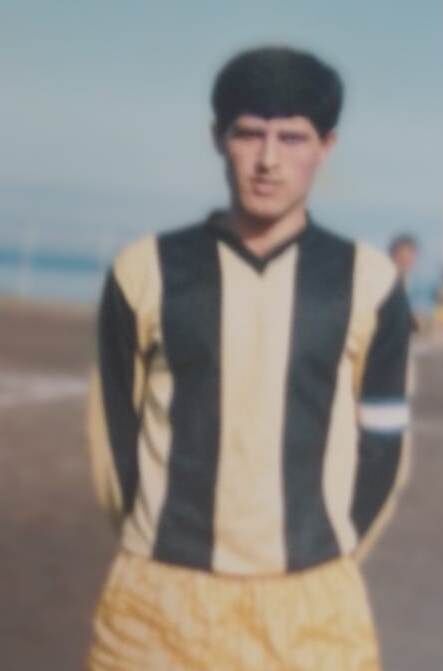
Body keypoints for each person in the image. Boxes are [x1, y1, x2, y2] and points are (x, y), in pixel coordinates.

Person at [86, 46, 412, 671]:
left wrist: (317, 549)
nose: (268, 160)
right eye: (249, 134)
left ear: (327, 146)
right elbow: (114, 445)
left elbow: (384, 449)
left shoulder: (369, 282)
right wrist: (165, 541)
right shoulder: (144, 271)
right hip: (160, 597)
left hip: (313, 604)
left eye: (292, 138)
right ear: (218, 138)